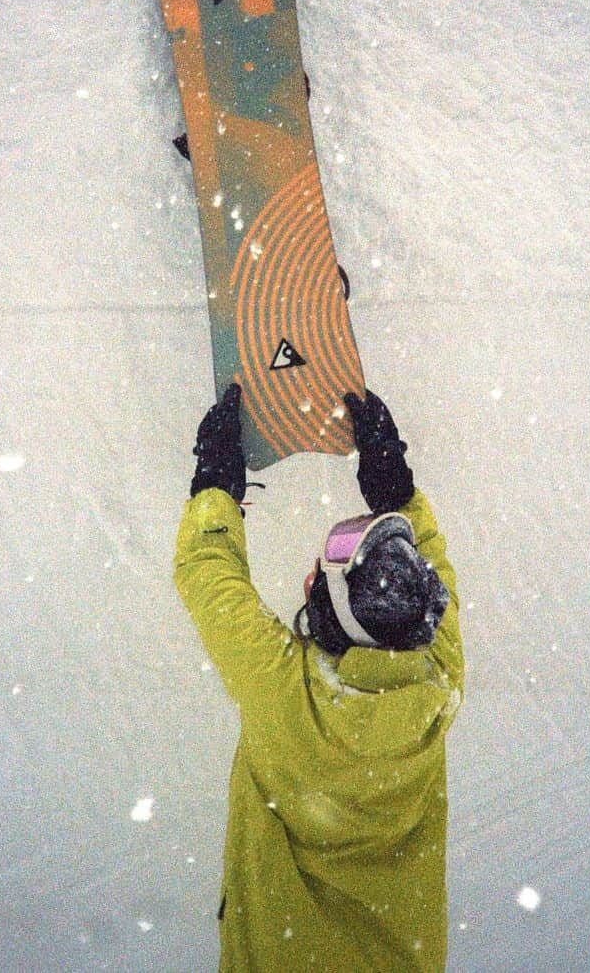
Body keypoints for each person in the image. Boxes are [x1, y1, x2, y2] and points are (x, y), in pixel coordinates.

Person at [173, 382, 465, 972]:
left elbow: (207, 570)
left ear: (326, 609)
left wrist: (216, 484)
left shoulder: (285, 691)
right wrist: (395, 489)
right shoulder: (436, 682)